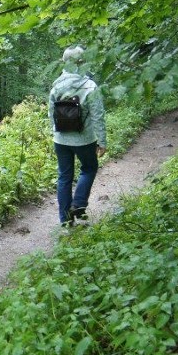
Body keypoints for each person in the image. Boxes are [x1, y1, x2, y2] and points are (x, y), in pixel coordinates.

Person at [48, 45, 107, 226]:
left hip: (61, 139)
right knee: (89, 168)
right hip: (84, 139)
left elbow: (51, 113)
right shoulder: (90, 86)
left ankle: (65, 220)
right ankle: (79, 204)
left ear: (64, 62)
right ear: (82, 62)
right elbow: (98, 115)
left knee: (64, 176)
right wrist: (102, 141)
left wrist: (56, 134)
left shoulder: (56, 86)